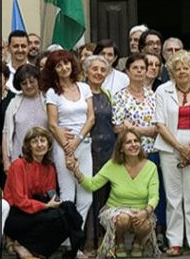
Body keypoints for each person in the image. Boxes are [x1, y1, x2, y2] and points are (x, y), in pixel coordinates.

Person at [71, 130, 161, 258]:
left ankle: (138, 242)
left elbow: (154, 196)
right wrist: (76, 172)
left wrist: (145, 212)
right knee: (123, 219)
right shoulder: (112, 165)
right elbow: (92, 185)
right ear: (121, 148)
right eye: (128, 142)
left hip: (141, 210)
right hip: (116, 209)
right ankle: (118, 242)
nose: (134, 144)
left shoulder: (151, 167)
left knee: (145, 224)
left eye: (136, 141)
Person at [154, 51, 190, 256]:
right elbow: (159, 124)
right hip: (170, 149)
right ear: (171, 72)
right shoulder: (162, 91)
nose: (182, 71)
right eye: (177, 69)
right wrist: (180, 147)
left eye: (186, 68)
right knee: (173, 197)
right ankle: (175, 241)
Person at [4, 127, 85, 259]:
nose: (39, 144)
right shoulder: (18, 165)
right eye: (35, 141)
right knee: (56, 218)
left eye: (43, 140)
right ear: (28, 146)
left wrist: (56, 205)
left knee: (69, 211)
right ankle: (24, 247)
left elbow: (50, 196)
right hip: (17, 215)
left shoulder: (49, 168)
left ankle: (73, 251)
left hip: (38, 211)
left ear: (48, 145)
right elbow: (20, 201)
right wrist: (46, 206)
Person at [112, 56, 166, 231]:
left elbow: (158, 128)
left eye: (143, 68)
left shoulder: (154, 96)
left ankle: (157, 230)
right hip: (131, 155)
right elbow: (118, 128)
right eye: (135, 68)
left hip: (153, 151)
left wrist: (135, 129)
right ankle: (135, 232)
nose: (140, 71)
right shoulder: (120, 96)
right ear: (127, 71)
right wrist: (144, 130)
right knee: (136, 193)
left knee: (156, 193)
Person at [44, 49, 97, 228]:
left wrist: (77, 140)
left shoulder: (84, 87)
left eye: (66, 63)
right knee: (68, 195)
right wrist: (67, 146)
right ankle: (66, 239)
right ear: (54, 70)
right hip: (62, 146)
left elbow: (91, 118)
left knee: (86, 196)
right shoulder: (52, 92)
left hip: (83, 143)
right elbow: (52, 124)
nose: (64, 67)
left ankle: (75, 236)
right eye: (59, 65)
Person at [83, 55, 119, 255]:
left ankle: (105, 242)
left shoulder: (106, 94)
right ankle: (89, 241)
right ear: (86, 71)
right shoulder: (81, 93)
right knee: (90, 196)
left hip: (108, 150)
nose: (98, 73)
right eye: (94, 69)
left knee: (106, 196)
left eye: (102, 70)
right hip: (88, 150)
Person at [2, 64, 47, 171]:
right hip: (19, 160)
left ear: (38, 80)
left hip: (45, 159)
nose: (29, 86)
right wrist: (6, 161)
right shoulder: (14, 103)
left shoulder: (47, 100)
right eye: (24, 83)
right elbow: (6, 132)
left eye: (32, 81)